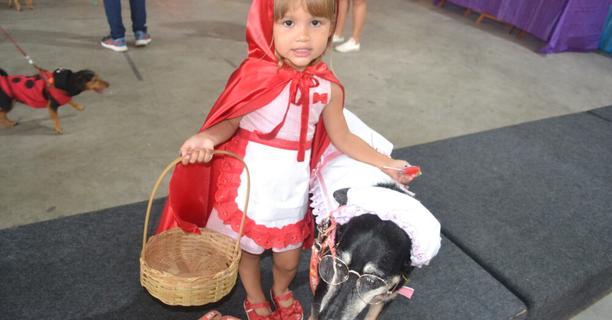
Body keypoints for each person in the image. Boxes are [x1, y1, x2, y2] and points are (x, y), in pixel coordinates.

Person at [155, 0, 412, 319]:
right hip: (250, 182)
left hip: (291, 187)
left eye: (315, 23)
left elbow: (343, 137)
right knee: (247, 249)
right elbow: (230, 120)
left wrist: (385, 163)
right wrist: (206, 137)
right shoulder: (254, 73)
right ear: (266, 25)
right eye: (289, 23)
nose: (303, 36)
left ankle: (280, 288)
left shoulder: (328, 87)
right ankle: (254, 294)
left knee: (288, 258)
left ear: (332, 26)